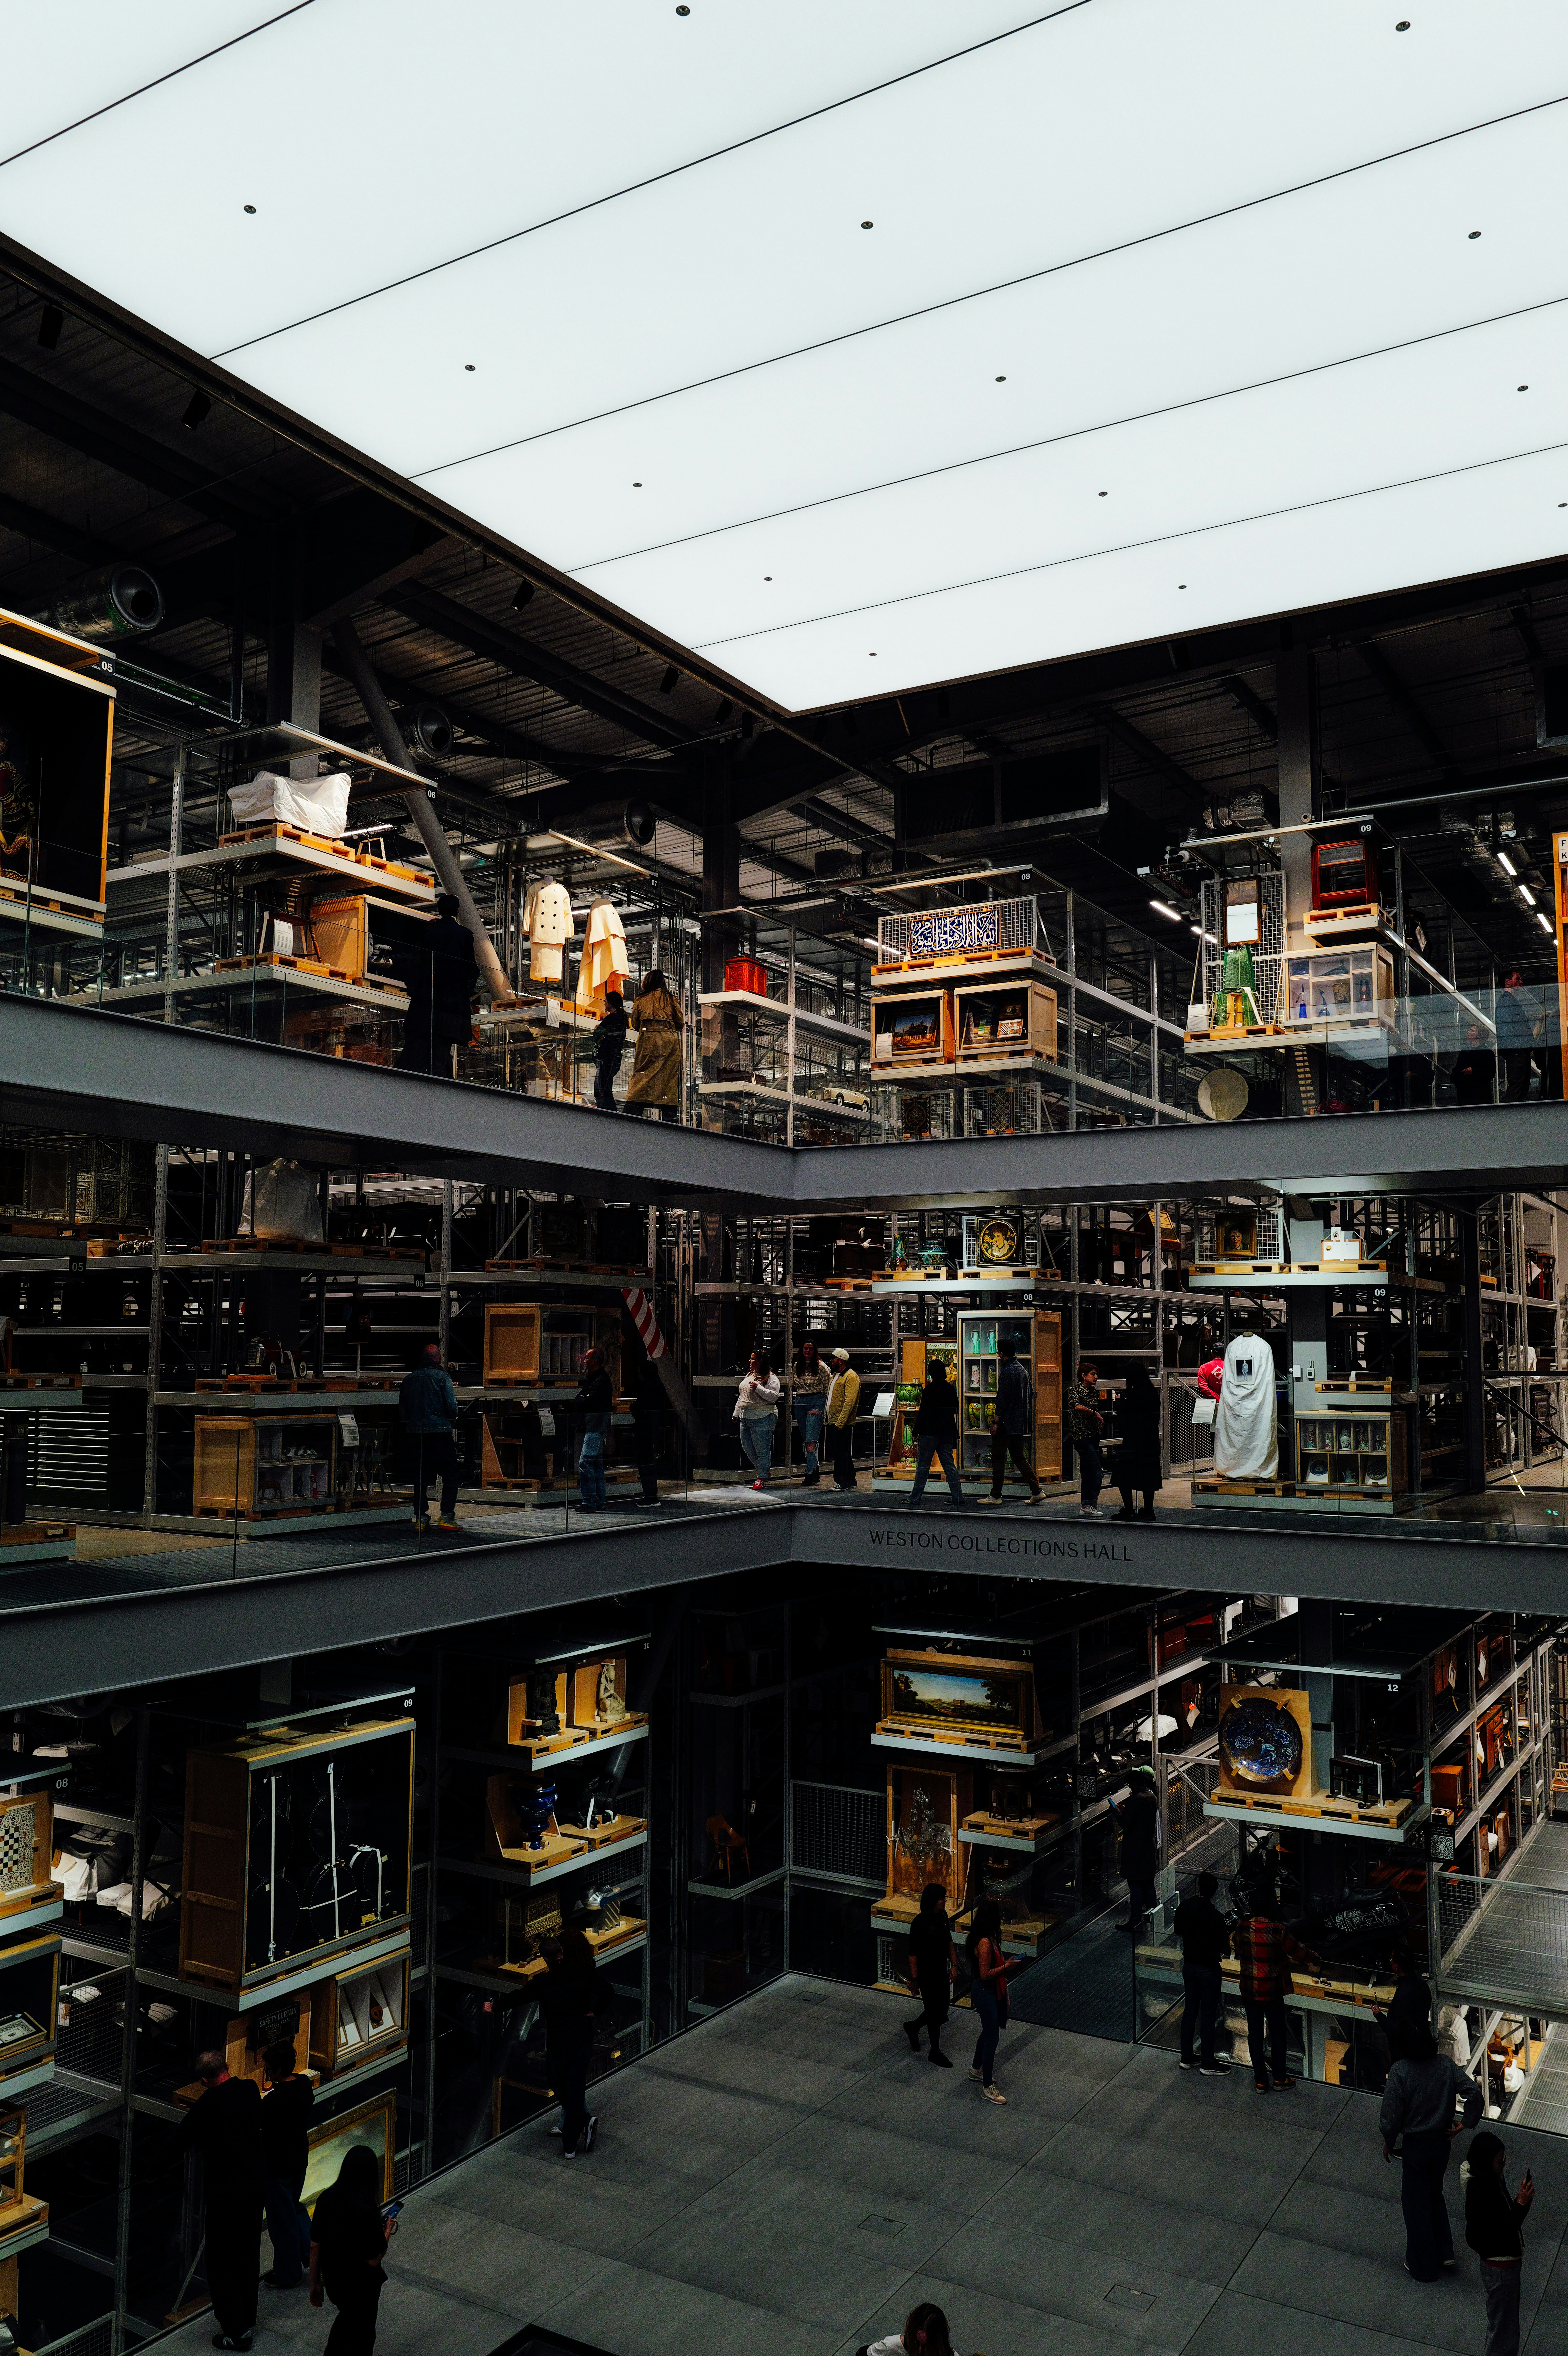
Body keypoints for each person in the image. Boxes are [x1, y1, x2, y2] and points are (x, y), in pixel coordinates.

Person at [175, 2049, 263, 2352]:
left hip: (225, 2198)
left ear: (204, 2080)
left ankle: (237, 2331)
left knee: (221, 2263)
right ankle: (247, 2319)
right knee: (248, 2256)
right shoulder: (250, 2089)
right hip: (254, 2190)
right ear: (227, 2067)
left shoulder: (208, 2104)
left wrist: (148, 2174)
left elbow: (180, 2140)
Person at [1380, 2027, 1483, 2280]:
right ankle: (1444, 2251)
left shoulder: (1400, 2071)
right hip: (1441, 2143)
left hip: (1416, 2145)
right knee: (1434, 2193)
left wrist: (1389, 2140)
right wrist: (1465, 2122)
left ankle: (1423, 2266)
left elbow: (1392, 2114)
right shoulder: (1445, 2065)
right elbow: (1475, 2093)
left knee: (1415, 2205)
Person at [309, 2142, 392, 2356]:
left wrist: (316, 2283)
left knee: (347, 2325)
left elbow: (315, 2246)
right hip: (361, 2288)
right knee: (360, 2337)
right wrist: (387, 2231)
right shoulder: (366, 2209)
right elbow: (374, 2258)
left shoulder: (326, 2199)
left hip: (336, 2282)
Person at [1236, 1888, 1316, 2091]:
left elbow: (1238, 1947)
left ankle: (1261, 2081)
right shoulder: (1277, 1930)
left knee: (1255, 2035)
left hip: (1249, 1991)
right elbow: (1299, 1952)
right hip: (1272, 1992)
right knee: (1278, 2033)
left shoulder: (1242, 1928)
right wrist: (1317, 1958)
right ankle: (1280, 2079)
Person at [1464, 2128, 1534, 2355]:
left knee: (1505, 2324)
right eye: (1499, 2162)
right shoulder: (1483, 2193)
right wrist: (1522, 2203)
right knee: (1504, 2327)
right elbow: (1506, 2227)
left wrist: (1522, 2202)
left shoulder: (1488, 2182)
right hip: (1501, 2268)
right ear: (1486, 2163)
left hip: (1502, 2265)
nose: (1503, 2165)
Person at [397, 893, 477, 1077]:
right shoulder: (465, 935)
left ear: (439, 911)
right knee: (443, 1042)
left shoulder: (428, 931)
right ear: (458, 911)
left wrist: (416, 988)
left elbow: (419, 961)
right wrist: (465, 993)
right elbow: (471, 968)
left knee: (425, 1040)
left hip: (428, 996)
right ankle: (440, 1076)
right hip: (452, 1000)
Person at [538, 1923, 599, 2158]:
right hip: (582, 2033)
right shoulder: (585, 1967)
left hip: (566, 2036)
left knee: (566, 2082)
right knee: (573, 2083)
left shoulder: (569, 1973)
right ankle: (574, 2122)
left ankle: (580, 2121)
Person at [260, 2037, 314, 2290]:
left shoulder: (275, 2102)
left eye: (269, 2069)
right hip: (298, 2160)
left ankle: (289, 2274)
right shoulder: (304, 2085)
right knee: (295, 2208)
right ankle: (313, 2255)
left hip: (279, 2166)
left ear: (279, 2070)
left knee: (282, 2221)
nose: (267, 2074)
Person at [1172, 1869, 1231, 2073]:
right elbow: (1225, 1946)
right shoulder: (1216, 1917)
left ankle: (1187, 2057)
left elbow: (1178, 1930)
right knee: (1208, 2014)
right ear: (1214, 1893)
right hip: (1209, 1969)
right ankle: (1208, 2062)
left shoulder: (1185, 1907)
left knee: (1190, 2011)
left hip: (1189, 1966)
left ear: (1198, 1888)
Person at [399, 1340, 460, 1531]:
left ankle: (421, 1519)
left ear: (422, 1358)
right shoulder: (443, 1378)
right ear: (440, 1359)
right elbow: (452, 1407)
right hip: (440, 1434)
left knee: (421, 1478)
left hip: (417, 1435)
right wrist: (451, 1419)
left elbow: (403, 1410)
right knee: (451, 1475)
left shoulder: (409, 1380)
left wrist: (412, 1426)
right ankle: (447, 1517)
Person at [983, 1336, 1042, 1505]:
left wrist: (996, 1422)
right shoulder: (1023, 1370)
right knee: (1018, 1457)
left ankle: (996, 1496)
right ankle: (1037, 1491)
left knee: (998, 1457)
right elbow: (1031, 1393)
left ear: (1001, 1354)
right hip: (1020, 1422)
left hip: (1006, 1424)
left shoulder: (1007, 1372)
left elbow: (1002, 1400)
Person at [904, 1881, 957, 2066]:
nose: (944, 1901)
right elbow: (913, 1953)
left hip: (940, 1969)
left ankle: (913, 2027)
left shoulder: (942, 1916)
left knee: (941, 2009)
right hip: (927, 1974)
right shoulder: (919, 1923)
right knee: (935, 2012)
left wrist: (954, 1964)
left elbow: (949, 1941)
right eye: (942, 1898)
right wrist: (915, 1979)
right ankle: (935, 2051)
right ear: (933, 1900)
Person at [965, 1897, 1011, 2104]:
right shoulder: (984, 1942)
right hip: (985, 1991)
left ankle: (976, 2069)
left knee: (988, 2031)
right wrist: (1007, 1968)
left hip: (991, 1991)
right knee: (992, 2038)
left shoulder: (991, 1938)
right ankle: (987, 2087)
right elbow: (985, 1974)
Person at [625, 969, 683, 1121]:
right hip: (669, 1039)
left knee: (642, 1073)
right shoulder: (671, 999)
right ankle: (670, 1116)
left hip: (647, 1039)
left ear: (647, 982)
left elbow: (636, 1024)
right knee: (669, 1077)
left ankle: (632, 1109)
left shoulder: (641, 999)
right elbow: (680, 1023)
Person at [1113, 1763, 1160, 1935]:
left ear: (1136, 1782)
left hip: (1134, 1851)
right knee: (1149, 1885)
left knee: (1135, 1886)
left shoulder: (1134, 1800)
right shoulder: (1153, 1797)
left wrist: (1117, 1812)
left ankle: (1135, 1922)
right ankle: (1154, 1920)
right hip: (1148, 1848)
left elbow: (1126, 1824)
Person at [910, 1358, 964, 1506]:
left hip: (929, 1433)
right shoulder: (951, 1389)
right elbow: (955, 1410)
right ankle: (958, 1497)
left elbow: (923, 1413)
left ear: (931, 1374)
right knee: (950, 1466)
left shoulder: (929, 1390)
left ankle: (915, 1498)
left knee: (923, 1467)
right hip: (947, 1432)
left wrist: (915, 1432)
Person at [1114, 1362, 1162, 1521]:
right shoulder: (1153, 1393)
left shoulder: (1134, 1395)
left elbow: (1124, 1414)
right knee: (1149, 1475)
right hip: (1151, 1441)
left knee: (1124, 1475)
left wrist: (1119, 1401)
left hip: (1133, 1441)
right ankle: (1149, 1510)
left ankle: (1129, 1509)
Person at [573, 1344, 613, 1511]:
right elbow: (582, 1398)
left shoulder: (601, 1381)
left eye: (587, 1358)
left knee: (585, 1462)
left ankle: (589, 1501)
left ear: (595, 1361)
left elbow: (586, 1402)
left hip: (596, 1426)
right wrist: (582, 1399)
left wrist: (581, 1400)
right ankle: (598, 1500)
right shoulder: (594, 1379)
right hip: (595, 1424)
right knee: (596, 1463)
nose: (584, 1360)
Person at [734, 1350, 781, 1490]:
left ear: (761, 1362)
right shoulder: (750, 1375)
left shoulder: (771, 1378)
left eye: (753, 1359)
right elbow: (742, 1396)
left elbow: (774, 1397)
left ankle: (761, 1478)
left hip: (763, 1417)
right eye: (751, 1358)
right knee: (747, 1448)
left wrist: (759, 1388)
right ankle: (765, 1471)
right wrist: (736, 1413)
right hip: (745, 1417)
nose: (750, 1361)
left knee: (762, 1450)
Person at [1381, 1946, 1434, 2061]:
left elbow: (1396, 2029)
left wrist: (1379, 2016)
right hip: (1421, 2047)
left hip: (1405, 2055)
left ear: (1396, 1967)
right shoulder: (1423, 1986)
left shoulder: (1403, 1994)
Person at [1068, 1358, 1106, 1518]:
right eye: (1093, 1374)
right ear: (1084, 1376)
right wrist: (1094, 1413)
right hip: (1082, 1436)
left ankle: (1087, 1505)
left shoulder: (1093, 1392)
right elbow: (1077, 1407)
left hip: (1093, 1436)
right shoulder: (1075, 1390)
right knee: (1097, 1472)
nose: (1096, 1377)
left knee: (1089, 1472)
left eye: (1096, 1374)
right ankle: (1089, 1504)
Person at [1497, 972, 1539, 1104]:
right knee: (1517, 1087)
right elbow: (1506, 1028)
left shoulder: (1509, 1001)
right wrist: (1518, 1048)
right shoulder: (1506, 1001)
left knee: (1521, 1086)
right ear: (1508, 982)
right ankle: (1509, 1116)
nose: (1521, 982)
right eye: (1518, 979)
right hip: (1516, 1052)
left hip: (1518, 1051)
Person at [792, 1337, 828, 1486]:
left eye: (811, 1349)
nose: (808, 1351)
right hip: (800, 1402)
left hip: (816, 1401)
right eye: (806, 1348)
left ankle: (810, 1473)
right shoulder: (797, 1366)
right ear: (802, 1350)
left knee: (810, 1441)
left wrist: (823, 1404)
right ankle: (816, 1468)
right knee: (806, 1438)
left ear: (815, 1351)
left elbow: (827, 1386)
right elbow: (795, 1383)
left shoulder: (821, 1367)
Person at [860, 2304, 958, 2356]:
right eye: (917, 2343)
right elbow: (862, 2354)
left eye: (926, 2347)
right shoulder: (892, 2347)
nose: (920, 2351)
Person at [825, 1347, 860, 1490]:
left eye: (834, 1359)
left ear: (840, 1361)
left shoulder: (851, 1377)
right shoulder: (836, 1375)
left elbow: (849, 1402)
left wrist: (841, 1422)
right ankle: (850, 1480)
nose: (831, 1361)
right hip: (835, 1420)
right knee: (844, 1451)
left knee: (840, 1453)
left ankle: (842, 1482)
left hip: (841, 1422)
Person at [631, 1355, 663, 1508]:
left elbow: (639, 1409)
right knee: (649, 1462)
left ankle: (650, 1496)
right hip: (653, 1429)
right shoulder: (658, 1386)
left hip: (646, 1430)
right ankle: (651, 1495)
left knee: (645, 1462)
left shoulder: (648, 1388)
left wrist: (633, 1408)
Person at [590, 986, 628, 1111]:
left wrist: (598, 1029)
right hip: (615, 1057)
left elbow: (599, 1034)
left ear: (611, 1004)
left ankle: (608, 1110)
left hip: (607, 1057)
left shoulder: (612, 1018)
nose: (605, 1004)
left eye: (606, 1002)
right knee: (606, 1086)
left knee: (602, 1088)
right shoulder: (622, 1018)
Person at [1451, 1023, 1498, 1105]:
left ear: (1480, 1035)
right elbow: (1457, 1070)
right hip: (1464, 1094)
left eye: (1472, 1031)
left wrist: (1474, 1072)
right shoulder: (1464, 1051)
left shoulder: (1487, 1053)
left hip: (1480, 1095)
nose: (1469, 1032)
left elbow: (1491, 1073)